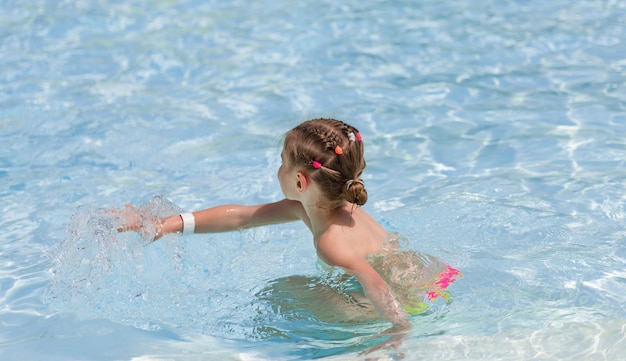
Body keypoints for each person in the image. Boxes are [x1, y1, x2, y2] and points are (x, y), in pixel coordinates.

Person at [120, 118, 460, 354]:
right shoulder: (326, 207)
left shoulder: (330, 242)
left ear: (300, 182)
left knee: (283, 293)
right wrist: (168, 224)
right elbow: (242, 216)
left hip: (406, 300)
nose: (277, 170)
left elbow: (375, 283)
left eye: (282, 163)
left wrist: (397, 330)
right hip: (435, 279)